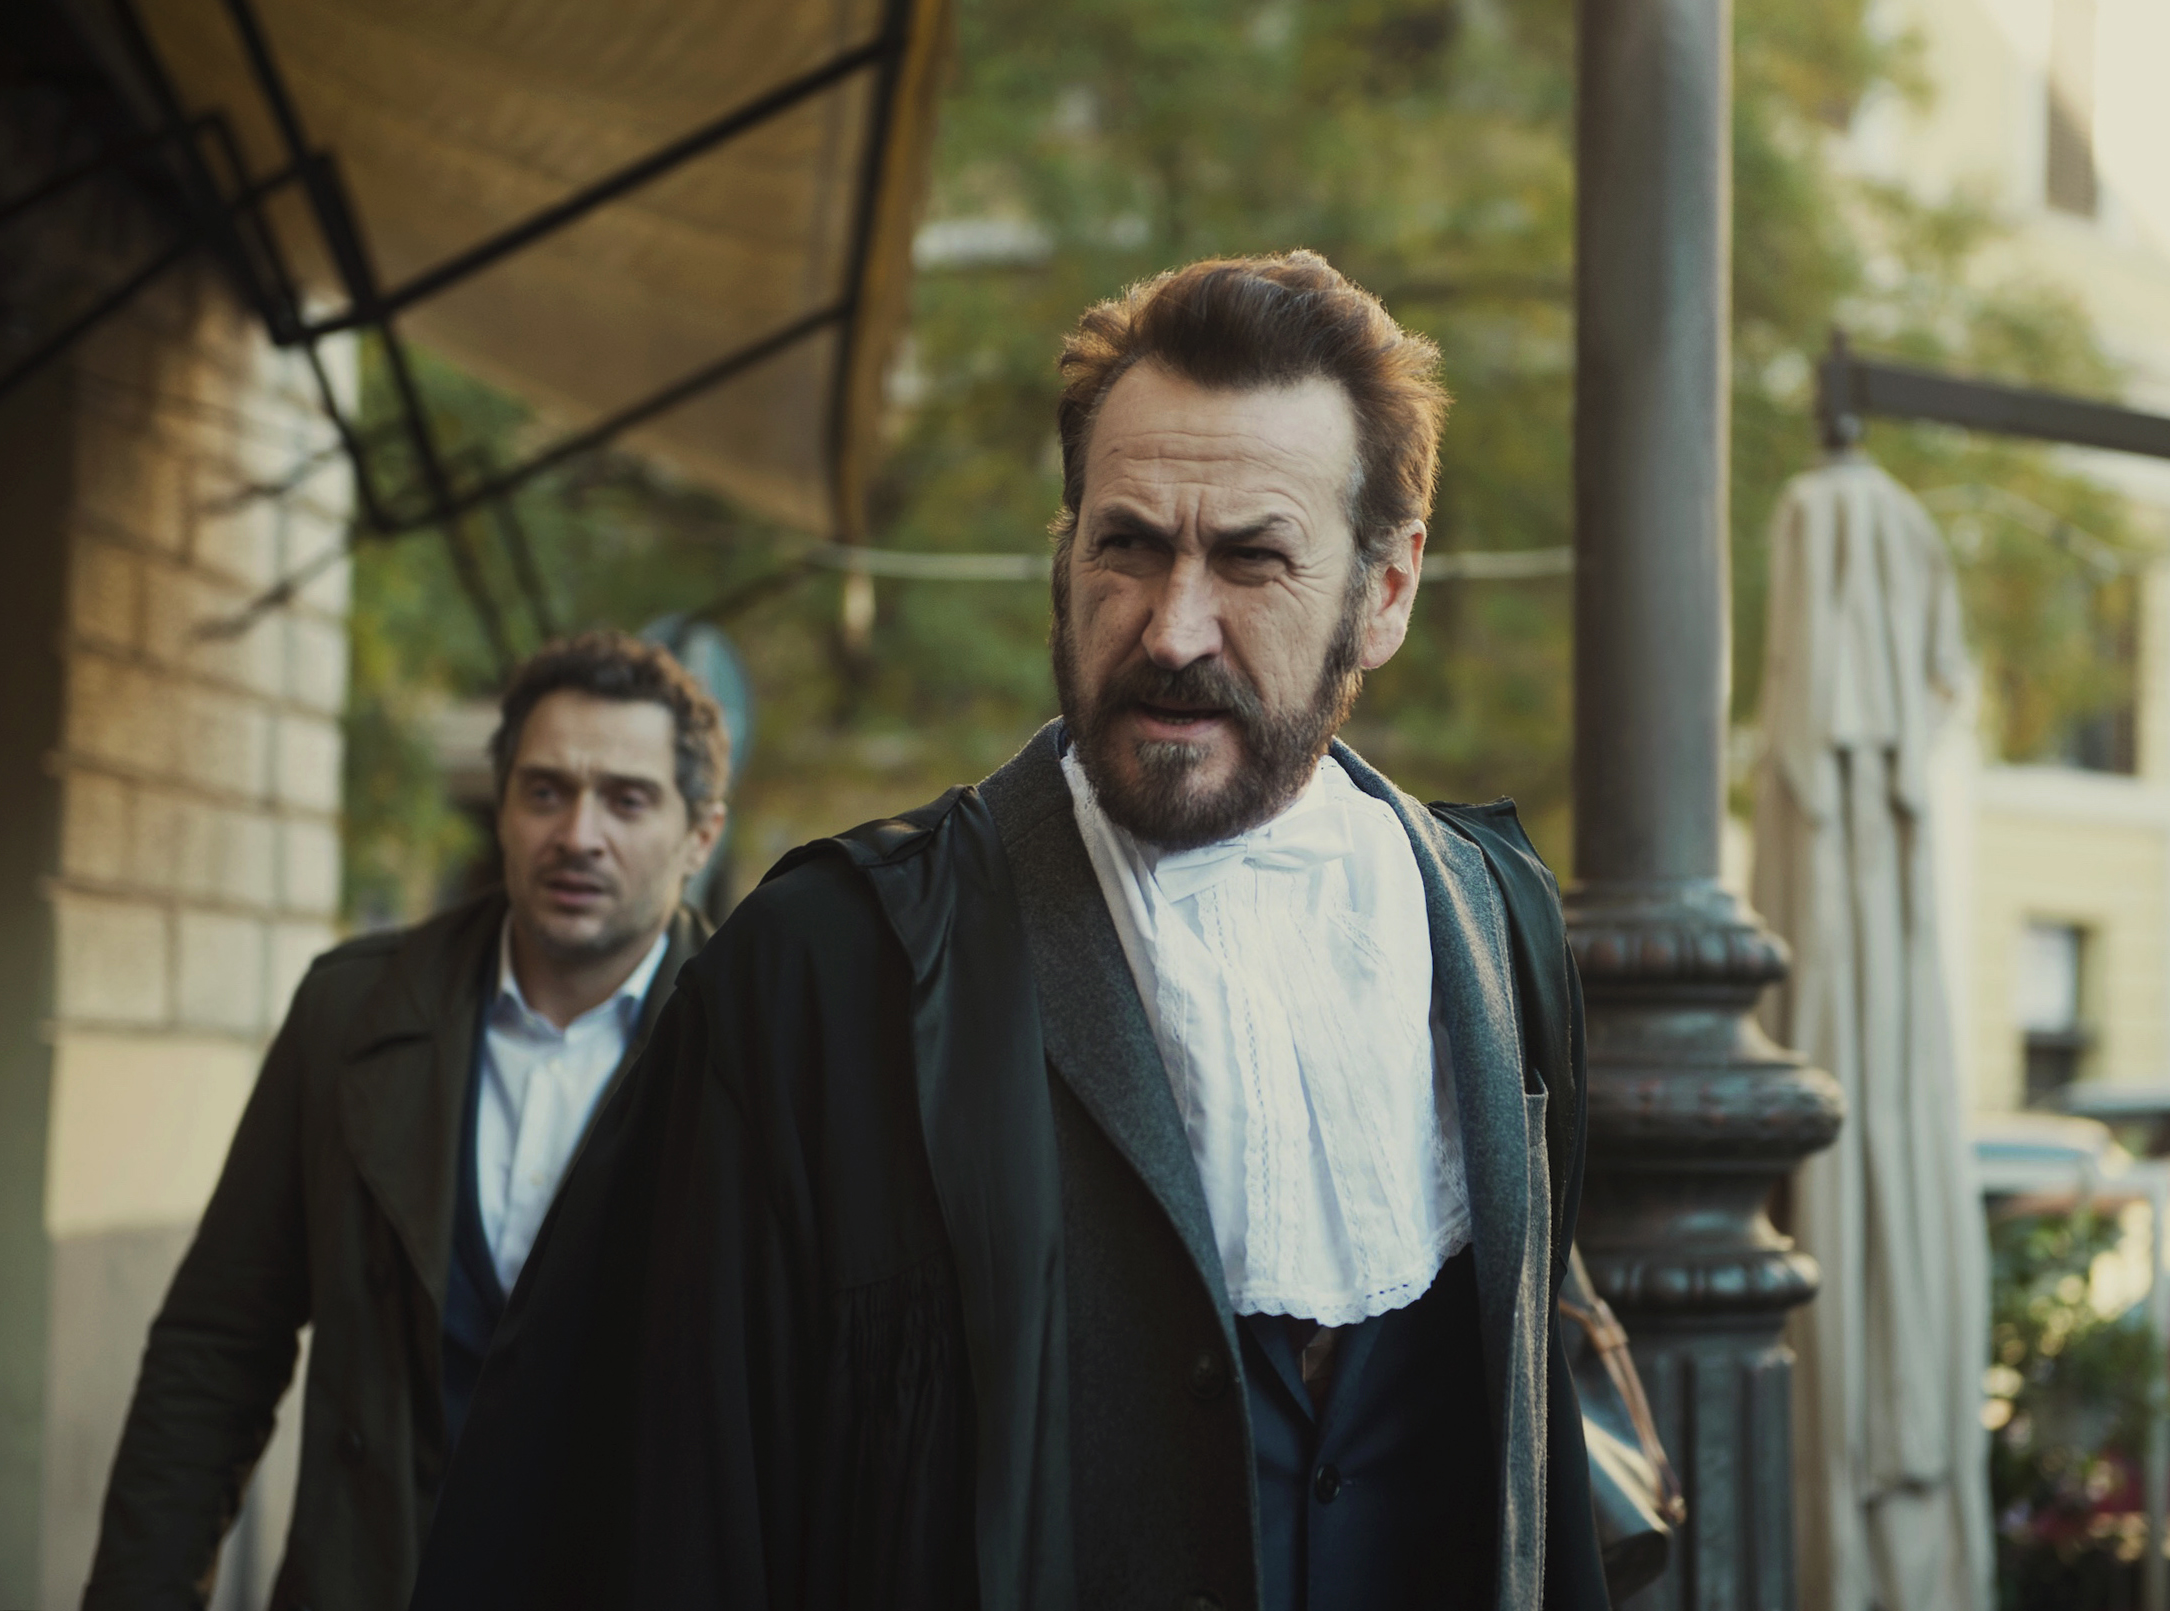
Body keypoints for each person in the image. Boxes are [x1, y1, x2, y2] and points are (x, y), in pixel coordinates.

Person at [412, 252, 1610, 1611]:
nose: (1174, 629)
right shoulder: (825, 970)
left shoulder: (1497, 930)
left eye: (1253, 558)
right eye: (1128, 544)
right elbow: (640, 1509)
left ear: (1385, 593)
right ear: (1065, 548)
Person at [83, 632, 727, 1611]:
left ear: (700, 835)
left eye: (627, 800)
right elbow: (217, 1348)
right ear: (501, 807)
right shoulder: (350, 1012)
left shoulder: (755, 1054)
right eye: (545, 791)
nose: (579, 833)